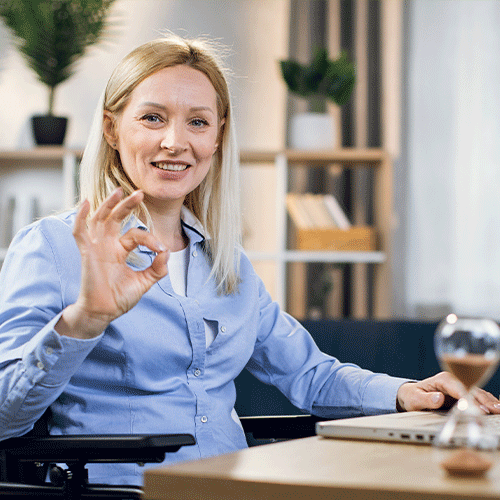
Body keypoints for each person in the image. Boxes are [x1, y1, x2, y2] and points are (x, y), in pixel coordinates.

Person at [0, 34, 499, 486]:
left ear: (217, 138)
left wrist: (407, 392)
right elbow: (6, 415)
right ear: (111, 129)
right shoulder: (52, 247)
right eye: (152, 118)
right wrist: (83, 321)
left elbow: (311, 374)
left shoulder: (226, 262)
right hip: (121, 491)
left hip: (232, 487)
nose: (175, 142)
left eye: (197, 122)